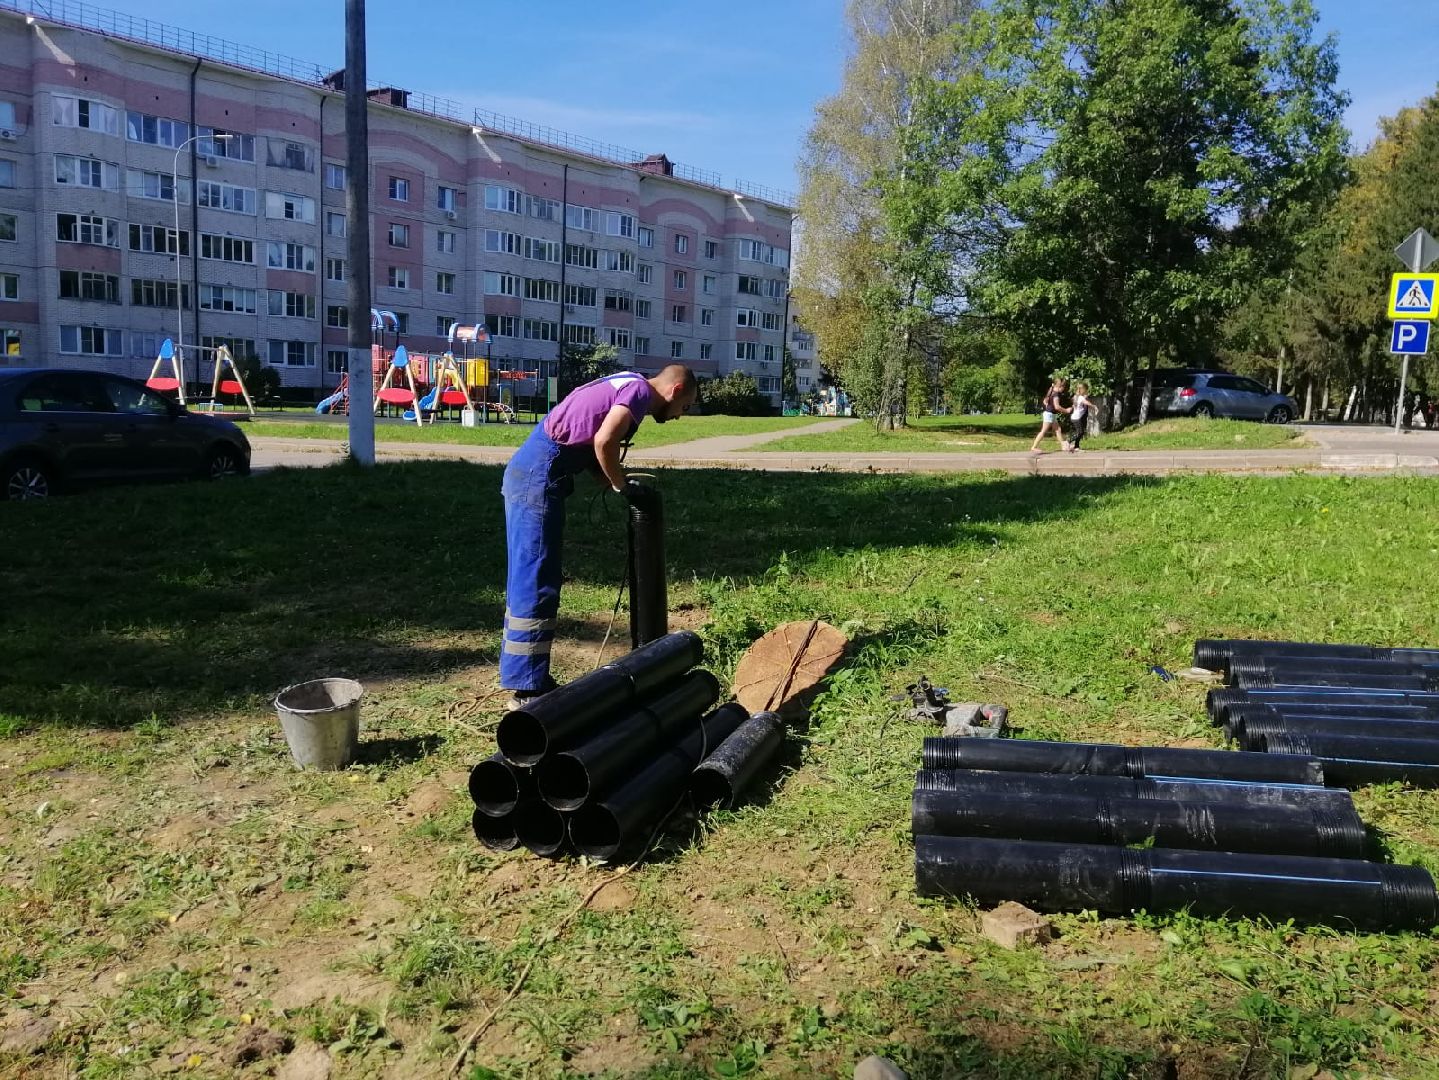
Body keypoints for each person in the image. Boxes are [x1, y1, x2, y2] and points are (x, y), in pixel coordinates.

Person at [500, 365, 698, 709]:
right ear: (676, 390)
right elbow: (604, 440)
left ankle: (527, 678)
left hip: (535, 473)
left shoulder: (628, 381)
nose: (681, 415)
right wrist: (621, 486)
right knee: (535, 578)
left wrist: (608, 479)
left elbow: (588, 440)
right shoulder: (637, 393)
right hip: (535, 477)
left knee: (537, 574)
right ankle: (528, 689)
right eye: (686, 406)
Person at [1030, 377, 1068, 454]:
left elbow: (1045, 401)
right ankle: (1034, 447)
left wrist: (1048, 404)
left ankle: (1063, 446)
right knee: (1043, 431)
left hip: (1051, 414)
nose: (1064, 389)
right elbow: (1057, 407)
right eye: (1063, 387)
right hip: (1049, 415)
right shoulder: (1056, 395)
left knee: (1058, 430)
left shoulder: (1052, 391)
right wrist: (1066, 410)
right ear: (1060, 386)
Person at [1065, 382, 1093, 452]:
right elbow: (1086, 403)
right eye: (1086, 390)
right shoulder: (1080, 397)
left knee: (1080, 432)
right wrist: (1094, 406)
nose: (1087, 391)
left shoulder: (1076, 396)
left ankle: (1076, 446)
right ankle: (1068, 441)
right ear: (1083, 390)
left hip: (1076, 417)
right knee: (1080, 432)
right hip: (1076, 418)